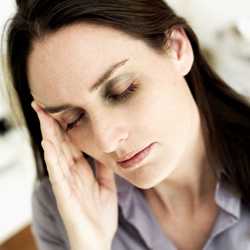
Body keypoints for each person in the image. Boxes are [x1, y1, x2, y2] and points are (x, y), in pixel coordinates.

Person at [4, 0, 250, 249]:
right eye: (73, 120)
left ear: (177, 48)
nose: (107, 141)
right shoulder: (61, 209)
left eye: (123, 91)